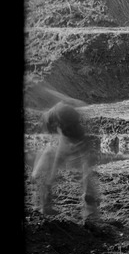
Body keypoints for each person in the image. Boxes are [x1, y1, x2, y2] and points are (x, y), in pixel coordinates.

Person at [29, 86, 100, 220]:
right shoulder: (61, 116)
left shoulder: (58, 118)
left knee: (52, 164)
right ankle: (89, 205)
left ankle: (46, 203)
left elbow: (61, 148)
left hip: (69, 128)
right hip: (72, 129)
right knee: (84, 169)